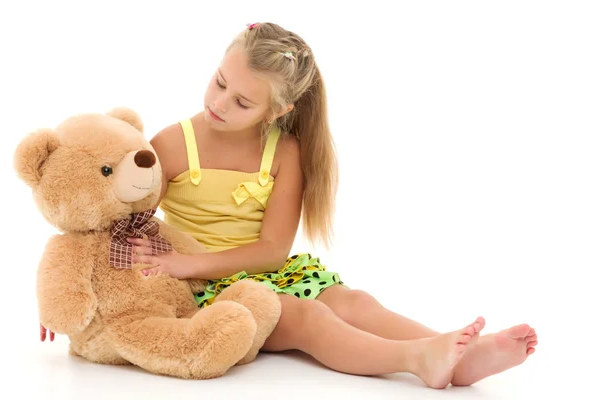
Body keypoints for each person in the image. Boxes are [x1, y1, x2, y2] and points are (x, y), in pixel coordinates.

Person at [127, 22, 537, 389]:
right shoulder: (172, 145)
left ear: (276, 111)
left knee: (355, 303)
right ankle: (417, 359)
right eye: (220, 83)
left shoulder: (285, 152)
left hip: (265, 270)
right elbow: (120, 224)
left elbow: (272, 252)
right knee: (311, 320)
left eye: (242, 102)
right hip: (209, 292)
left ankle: (459, 354)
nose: (219, 103)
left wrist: (189, 262)